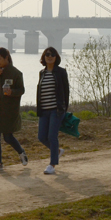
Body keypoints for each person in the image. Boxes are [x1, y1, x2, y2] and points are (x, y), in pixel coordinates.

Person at [0, 47, 28, 171]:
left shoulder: (16, 73)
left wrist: (11, 92)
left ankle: (21, 152)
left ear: (6, 58)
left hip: (8, 111)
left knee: (8, 137)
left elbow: (21, 90)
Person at [36, 46, 70, 175]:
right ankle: (57, 151)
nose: (50, 56)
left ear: (56, 57)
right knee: (41, 137)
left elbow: (66, 92)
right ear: (44, 57)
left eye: (52, 54)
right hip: (43, 110)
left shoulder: (61, 72)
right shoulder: (42, 73)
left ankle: (52, 164)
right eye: (47, 54)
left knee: (52, 136)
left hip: (56, 110)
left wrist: (63, 109)